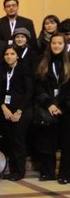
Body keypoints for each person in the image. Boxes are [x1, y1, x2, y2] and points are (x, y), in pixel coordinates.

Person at [33, 34, 70, 182]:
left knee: (67, 143)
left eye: (59, 43)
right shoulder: (42, 62)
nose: (56, 46)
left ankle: (65, 174)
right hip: (48, 107)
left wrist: (60, 105)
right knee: (47, 141)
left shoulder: (68, 62)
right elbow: (38, 86)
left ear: (64, 45)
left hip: (66, 108)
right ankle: (47, 172)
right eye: (54, 43)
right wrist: (49, 104)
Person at [0, 46, 33, 181]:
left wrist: (19, 111)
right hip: (7, 111)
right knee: (10, 141)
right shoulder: (2, 70)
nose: (9, 56)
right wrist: (3, 107)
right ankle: (12, 170)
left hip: (22, 111)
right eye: (6, 54)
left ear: (17, 56)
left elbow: (29, 92)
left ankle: (19, 171)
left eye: (12, 54)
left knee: (19, 141)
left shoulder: (24, 69)